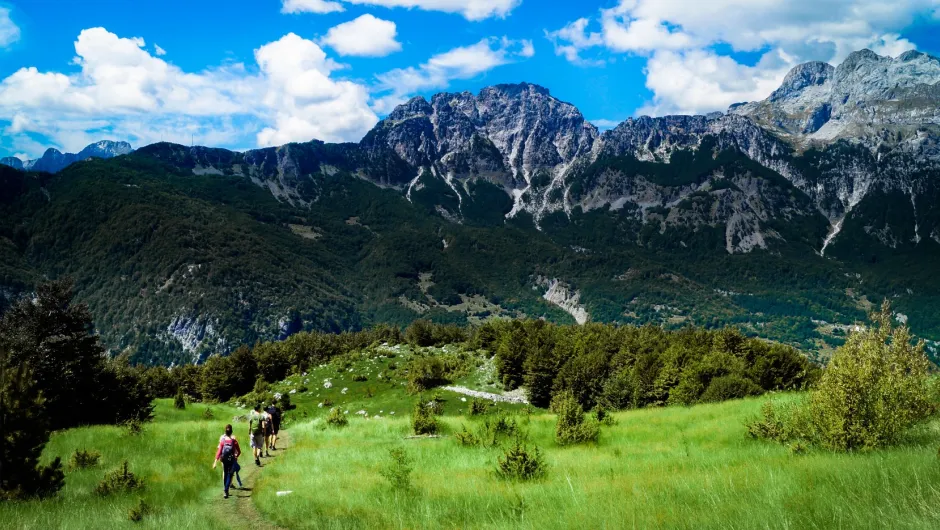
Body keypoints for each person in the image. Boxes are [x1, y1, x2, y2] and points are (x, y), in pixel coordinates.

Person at [213, 424, 241, 499]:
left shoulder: (222, 441)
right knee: (230, 475)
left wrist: (215, 462)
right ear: (232, 431)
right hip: (231, 460)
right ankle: (226, 490)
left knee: (225, 473)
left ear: (225, 432)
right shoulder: (234, 441)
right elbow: (239, 451)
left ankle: (225, 490)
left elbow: (219, 452)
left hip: (224, 460)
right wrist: (236, 456)